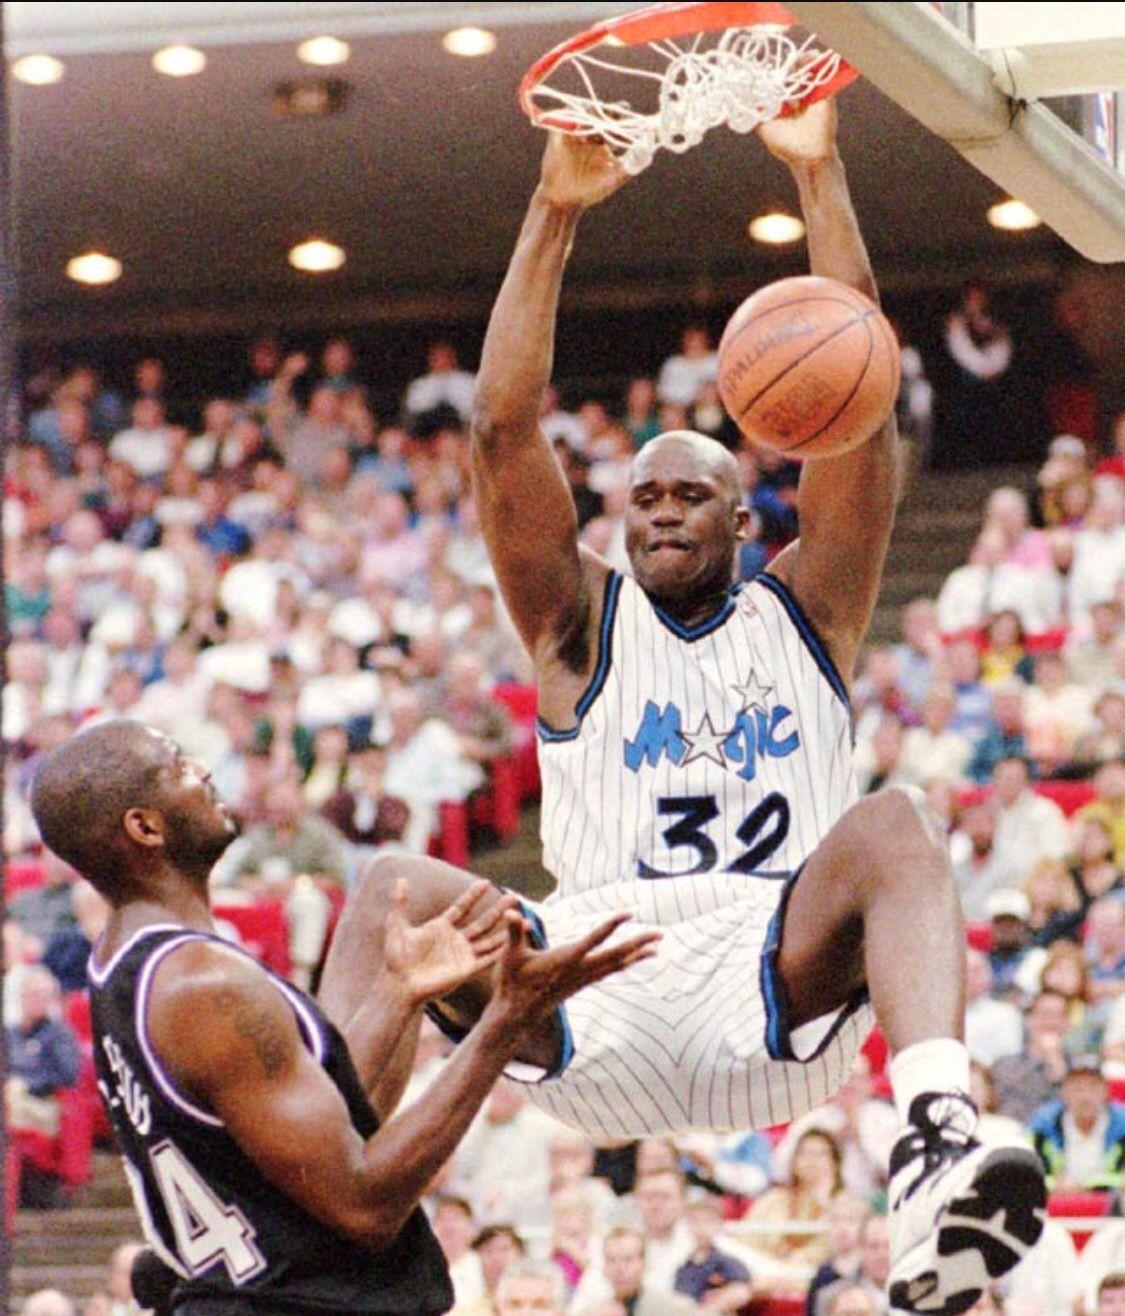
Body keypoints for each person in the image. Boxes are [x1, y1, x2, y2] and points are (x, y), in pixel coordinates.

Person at [365, 106, 1045, 1313]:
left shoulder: (811, 608)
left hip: (773, 977)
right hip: (586, 988)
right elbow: (499, 427)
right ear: (620, 520)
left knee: (895, 823)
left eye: (692, 494)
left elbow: (863, 392)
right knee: (386, 889)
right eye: (645, 497)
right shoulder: (578, 625)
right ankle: (313, 1196)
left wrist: (818, 170)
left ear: (745, 519)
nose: (665, 509)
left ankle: (935, 1140)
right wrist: (555, 208)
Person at [28, 720, 654, 1314]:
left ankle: (598, 1021)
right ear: (145, 827)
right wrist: (504, 1023)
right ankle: (610, 1037)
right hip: (292, 1302)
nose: (204, 770)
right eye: (178, 767)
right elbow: (364, 1206)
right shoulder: (203, 985)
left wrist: (397, 993)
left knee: (391, 882)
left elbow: (327, 1128)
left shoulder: (120, 962)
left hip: (244, 1285)